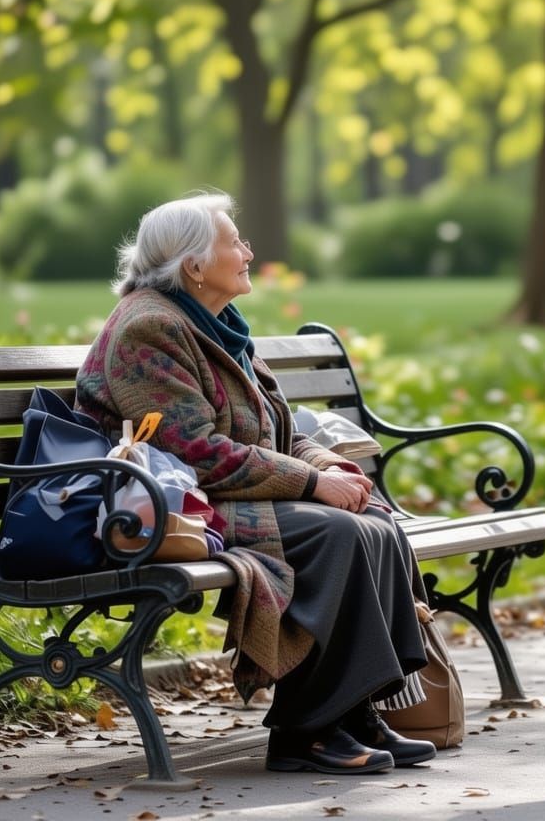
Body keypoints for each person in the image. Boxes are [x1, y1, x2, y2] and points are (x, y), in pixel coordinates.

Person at [75, 191, 436, 776]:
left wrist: (325, 466)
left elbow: (276, 430)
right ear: (194, 265)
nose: (247, 251)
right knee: (336, 534)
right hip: (168, 507)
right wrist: (310, 485)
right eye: (234, 242)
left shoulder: (216, 324)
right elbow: (195, 454)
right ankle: (305, 730)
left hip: (218, 494)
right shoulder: (150, 328)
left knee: (375, 522)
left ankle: (354, 710)